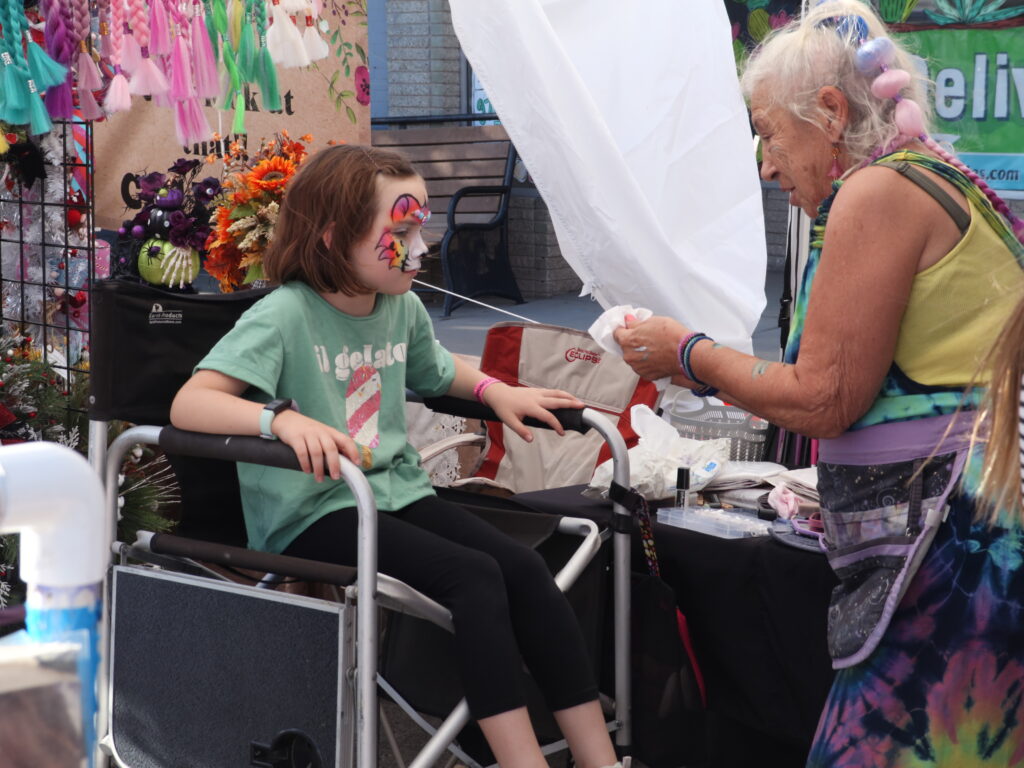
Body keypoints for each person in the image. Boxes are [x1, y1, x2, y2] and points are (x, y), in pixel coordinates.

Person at [613, 2, 1024, 766]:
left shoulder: (879, 194)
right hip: (965, 537)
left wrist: (689, 353)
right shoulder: (933, 180)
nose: (765, 165)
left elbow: (825, 398)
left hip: (943, 549)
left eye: (768, 132)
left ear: (831, 113)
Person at [170, 145, 620, 768]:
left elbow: (440, 373)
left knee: (525, 569)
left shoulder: (401, 308)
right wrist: (279, 419)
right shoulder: (282, 314)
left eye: (421, 227)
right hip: (312, 514)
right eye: (401, 230)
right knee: (475, 577)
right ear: (333, 239)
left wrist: (499, 392)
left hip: (394, 494)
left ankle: (602, 760)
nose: (421, 246)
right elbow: (191, 404)